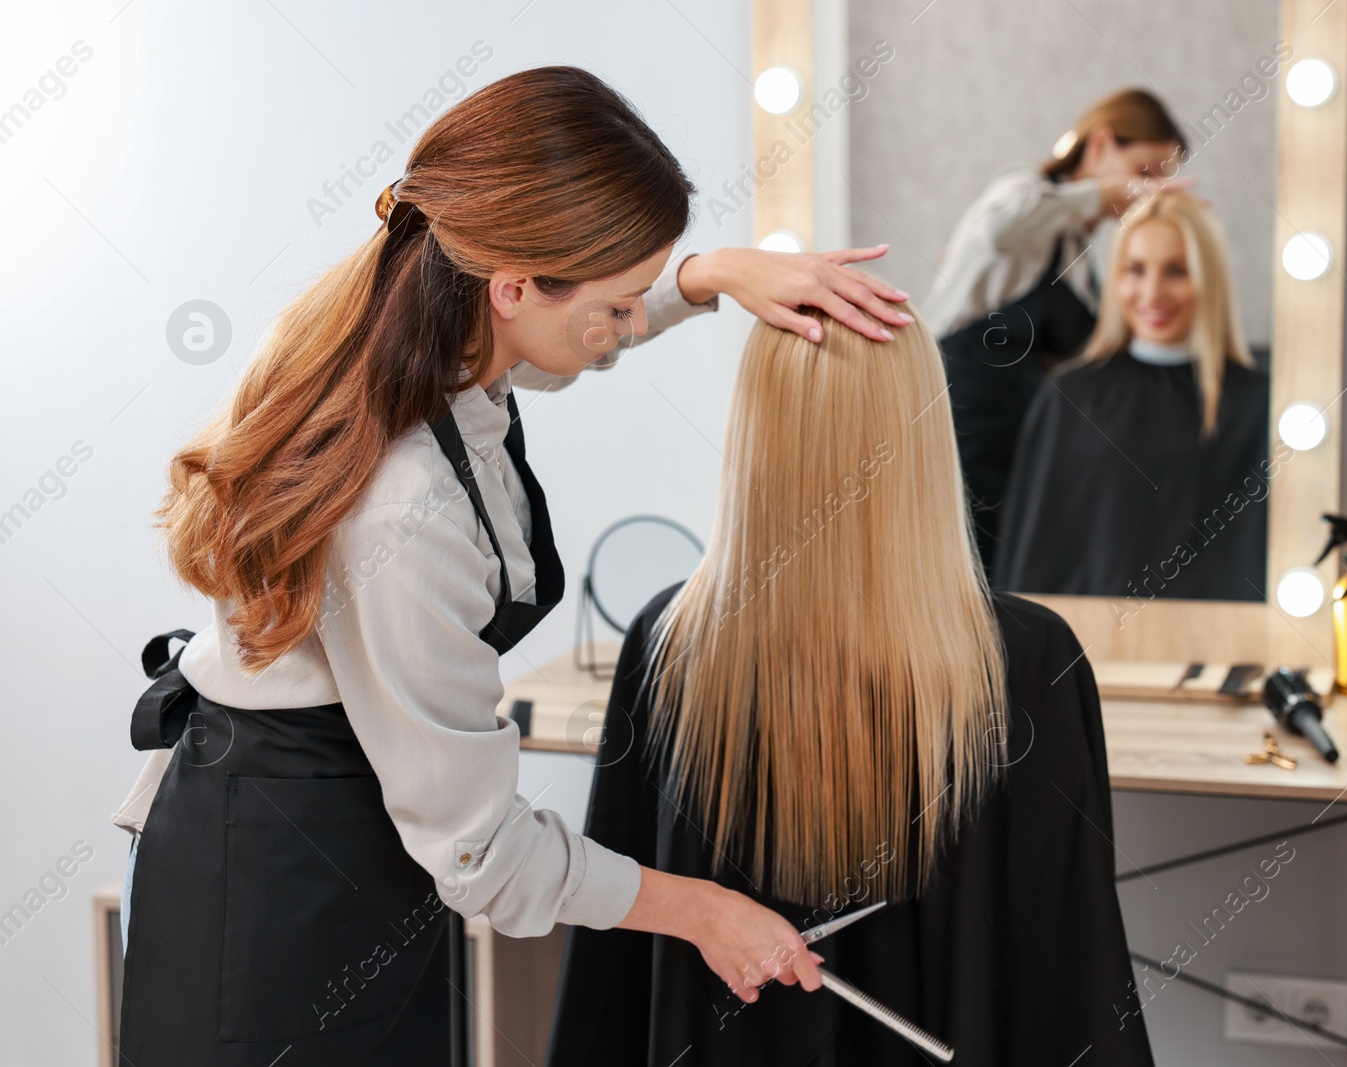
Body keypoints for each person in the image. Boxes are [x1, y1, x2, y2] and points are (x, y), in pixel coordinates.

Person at [112, 66, 917, 1063]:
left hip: (357, 853)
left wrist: (710, 276)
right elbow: (485, 855)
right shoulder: (403, 505)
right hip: (277, 906)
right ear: (512, 285)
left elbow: (566, 330)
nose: (626, 332)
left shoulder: (441, 343)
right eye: (622, 306)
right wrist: (705, 910)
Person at [547, 304, 1155, 1066]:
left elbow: (616, 980)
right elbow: (1068, 963)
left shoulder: (668, 640)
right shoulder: (1031, 657)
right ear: (925, 432)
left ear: (753, 437)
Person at [923, 88, 1189, 573]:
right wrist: (1102, 194)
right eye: (1145, 172)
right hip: (957, 413)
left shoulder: (1075, 246)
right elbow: (1001, 232)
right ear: (1103, 142)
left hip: (1015, 431)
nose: (1145, 192)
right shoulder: (1022, 192)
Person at [994, 190, 1270, 601]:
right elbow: (1033, 557)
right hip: (1090, 652)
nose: (1152, 291)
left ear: (1208, 277)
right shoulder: (1071, 399)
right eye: (1135, 269)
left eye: (1177, 270)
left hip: (1218, 650)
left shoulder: (1259, 403)